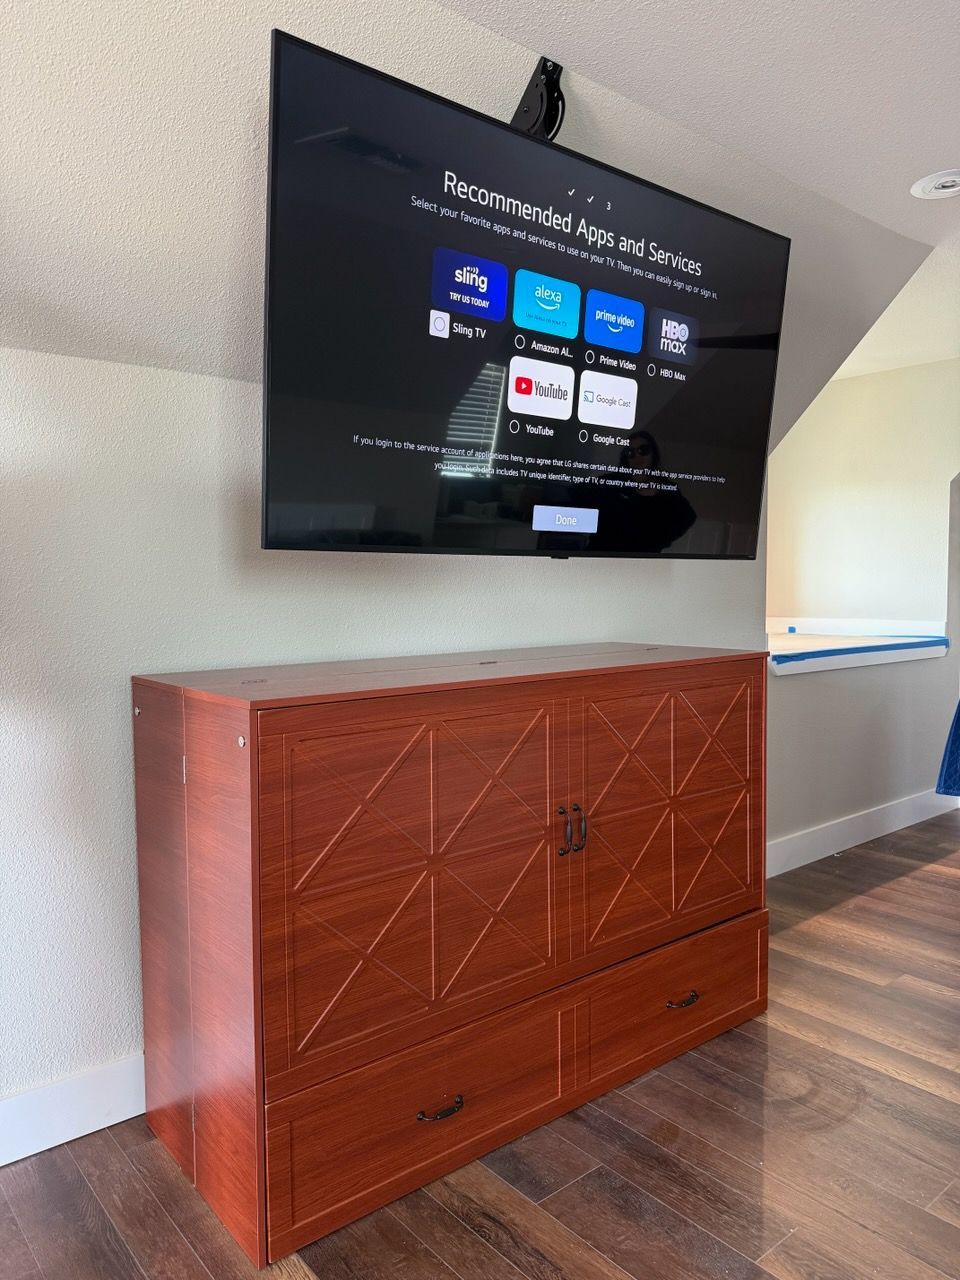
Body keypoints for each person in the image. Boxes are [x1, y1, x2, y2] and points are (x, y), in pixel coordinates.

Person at [588, 430, 696, 553]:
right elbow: (579, 494)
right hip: (602, 556)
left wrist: (661, 541)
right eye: (631, 452)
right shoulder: (612, 482)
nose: (637, 456)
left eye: (643, 450)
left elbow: (688, 517)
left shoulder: (667, 489)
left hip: (644, 560)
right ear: (626, 458)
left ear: (653, 454)